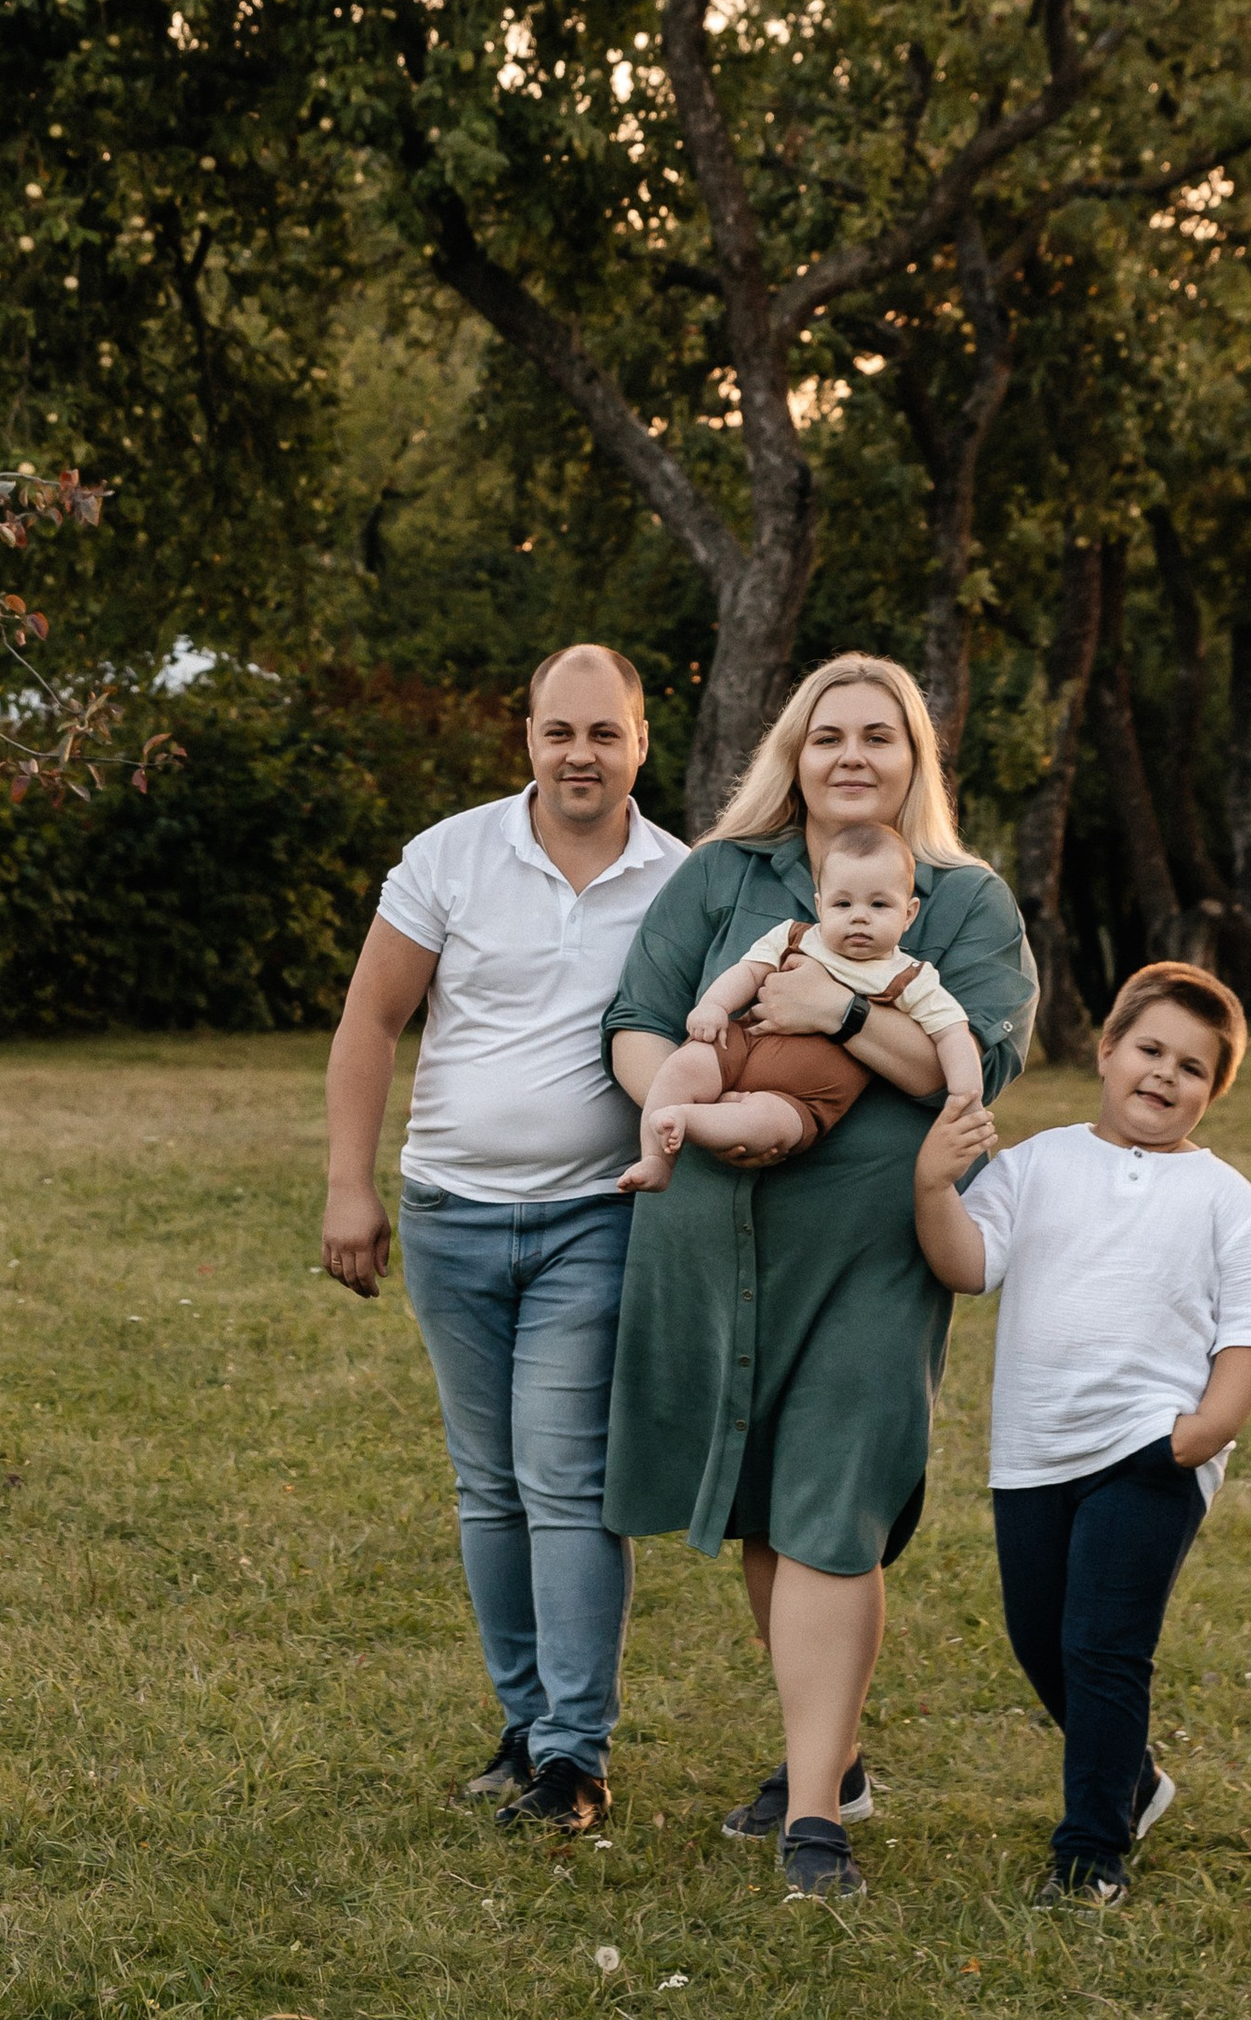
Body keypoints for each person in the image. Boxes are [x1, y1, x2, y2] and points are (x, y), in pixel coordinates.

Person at [600, 655, 1037, 1899]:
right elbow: (637, 1019)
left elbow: (973, 1071)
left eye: (879, 738)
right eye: (827, 735)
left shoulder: (959, 900)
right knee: (761, 1509)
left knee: (832, 1510)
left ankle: (812, 1827)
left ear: (914, 763)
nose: (853, 755)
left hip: (869, 1258)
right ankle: (827, 1760)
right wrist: (693, 1105)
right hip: (715, 1238)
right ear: (791, 753)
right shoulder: (721, 878)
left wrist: (837, 1018)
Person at [323, 645, 687, 1834]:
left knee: (565, 1481)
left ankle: (574, 1757)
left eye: (603, 732)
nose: (578, 753)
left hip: (597, 1215)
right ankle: (525, 1726)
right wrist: (349, 1186)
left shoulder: (680, 881)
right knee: (489, 1489)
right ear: (524, 736)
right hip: (448, 1216)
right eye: (556, 731)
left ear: (641, 740)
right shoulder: (450, 856)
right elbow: (372, 1019)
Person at [913, 958, 1251, 1907]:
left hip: (1148, 1454)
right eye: (1151, 1049)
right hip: (1035, 1451)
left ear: (1216, 1091)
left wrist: (1199, 1436)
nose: (1165, 1076)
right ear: (1107, 1048)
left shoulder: (1230, 1204)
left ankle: (1091, 1850)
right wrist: (932, 1187)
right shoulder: (1039, 1163)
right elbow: (969, 1266)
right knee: (1037, 1638)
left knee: (1102, 1645)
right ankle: (1131, 1778)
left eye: (1194, 1068)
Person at [618, 820, 985, 1190]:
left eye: (879, 904)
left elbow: (953, 1033)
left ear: (908, 913)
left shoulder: (909, 978)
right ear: (819, 905)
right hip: (741, 1048)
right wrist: (713, 1005)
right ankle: (656, 1159)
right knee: (685, 1064)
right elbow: (748, 973)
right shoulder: (796, 937)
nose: (859, 915)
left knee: (766, 1123)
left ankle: (687, 1119)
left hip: (803, 1099)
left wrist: (965, 1095)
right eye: (843, 903)